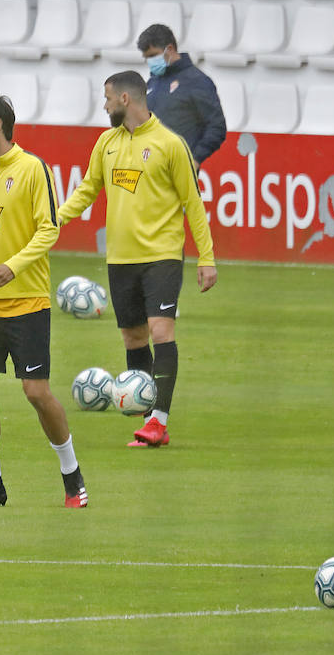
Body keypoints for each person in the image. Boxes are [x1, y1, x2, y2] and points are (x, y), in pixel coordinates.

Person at [57, 71, 217, 448]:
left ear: (125, 99)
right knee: (133, 338)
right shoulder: (105, 143)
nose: (105, 105)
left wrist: (206, 257)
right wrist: (56, 218)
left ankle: (159, 421)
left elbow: (193, 204)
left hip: (161, 256)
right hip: (120, 259)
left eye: (108, 98)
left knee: (161, 331)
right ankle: (147, 423)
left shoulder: (170, 144)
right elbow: (87, 190)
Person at [0, 92, 87, 509]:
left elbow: (48, 230)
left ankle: (72, 477)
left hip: (28, 301)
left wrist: (13, 266)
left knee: (35, 392)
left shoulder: (32, 169)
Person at [137, 23, 227, 167]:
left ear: (170, 49)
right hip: (149, 170)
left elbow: (217, 126)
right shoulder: (154, 81)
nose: (150, 62)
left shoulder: (197, 81)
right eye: (147, 57)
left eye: (153, 55)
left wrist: (195, 160)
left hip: (178, 172)